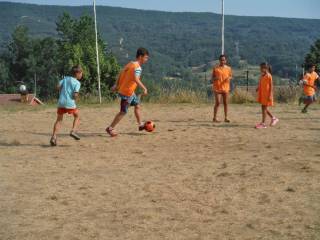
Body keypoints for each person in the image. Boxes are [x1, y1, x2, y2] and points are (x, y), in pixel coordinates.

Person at [106, 48, 149, 137]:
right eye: (146, 58)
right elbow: (135, 79)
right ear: (140, 57)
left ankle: (140, 124)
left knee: (137, 105)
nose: (146, 60)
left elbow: (121, 73)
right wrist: (144, 88)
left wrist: (116, 85)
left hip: (129, 91)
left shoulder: (130, 64)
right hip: (127, 92)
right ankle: (110, 128)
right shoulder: (138, 67)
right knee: (123, 112)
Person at [50, 65, 83, 146]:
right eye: (81, 73)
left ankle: (54, 137)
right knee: (77, 116)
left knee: (59, 120)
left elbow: (57, 86)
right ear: (78, 73)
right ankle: (73, 131)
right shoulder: (77, 83)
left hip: (61, 102)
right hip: (70, 103)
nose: (82, 75)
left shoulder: (65, 79)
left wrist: (62, 90)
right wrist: (75, 98)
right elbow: (75, 95)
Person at [255, 63, 279, 129]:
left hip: (267, 94)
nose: (262, 69)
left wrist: (270, 95)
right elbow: (261, 83)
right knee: (263, 108)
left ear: (266, 68)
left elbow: (271, 86)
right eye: (261, 68)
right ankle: (273, 118)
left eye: (263, 68)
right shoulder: (262, 76)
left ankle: (263, 124)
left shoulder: (269, 76)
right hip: (262, 94)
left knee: (264, 108)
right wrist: (258, 88)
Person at [212, 54, 233, 123]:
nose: (222, 61)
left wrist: (229, 78)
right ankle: (214, 118)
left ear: (225, 61)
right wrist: (215, 78)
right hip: (217, 88)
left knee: (225, 103)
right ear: (219, 60)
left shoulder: (229, 68)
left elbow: (230, 76)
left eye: (223, 60)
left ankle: (226, 117)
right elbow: (212, 78)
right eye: (221, 60)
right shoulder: (216, 68)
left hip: (225, 88)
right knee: (217, 102)